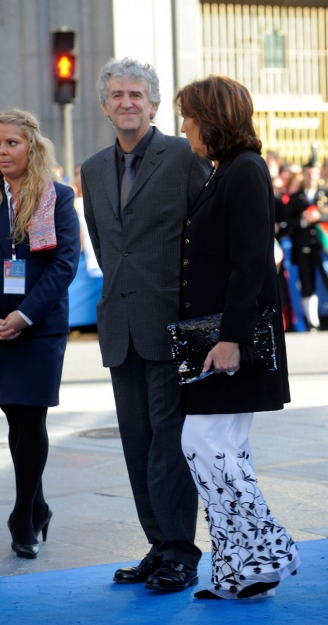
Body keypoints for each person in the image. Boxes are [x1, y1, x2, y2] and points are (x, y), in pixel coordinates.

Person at [81, 57, 211, 592]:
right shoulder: (91, 169)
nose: (127, 102)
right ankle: (159, 546)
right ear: (105, 104)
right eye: (117, 95)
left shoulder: (183, 155)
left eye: (137, 94)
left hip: (173, 324)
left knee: (169, 442)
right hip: (120, 327)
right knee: (136, 442)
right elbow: (107, 244)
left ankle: (181, 550)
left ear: (154, 104)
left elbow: (206, 235)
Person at [173, 76, 300, 601]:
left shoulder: (245, 170)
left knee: (202, 443)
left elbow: (252, 263)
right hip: (216, 337)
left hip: (229, 340)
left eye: (189, 116)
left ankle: (270, 549)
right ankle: (241, 572)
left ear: (212, 118)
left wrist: (230, 339)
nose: (184, 128)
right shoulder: (226, 171)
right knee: (224, 448)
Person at [0, 109, 80, 559]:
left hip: (39, 327)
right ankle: (37, 502)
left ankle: (21, 515)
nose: (2, 151)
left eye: (12, 143)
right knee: (13, 418)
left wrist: (25, 316)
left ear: (33, 147)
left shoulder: (57, 197)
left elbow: (64, 265)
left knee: (32, 417)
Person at [285, 160, 328, 330]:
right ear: (304, 176)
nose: (311, 178)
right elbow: (288, 219)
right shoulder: (297, 197)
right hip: (304, 246)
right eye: (308, 174)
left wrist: (319, 216)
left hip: (324, 246)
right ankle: (313, 323)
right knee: (307, 282)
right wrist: (302, 221)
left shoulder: (326, 193)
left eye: (314, 174)